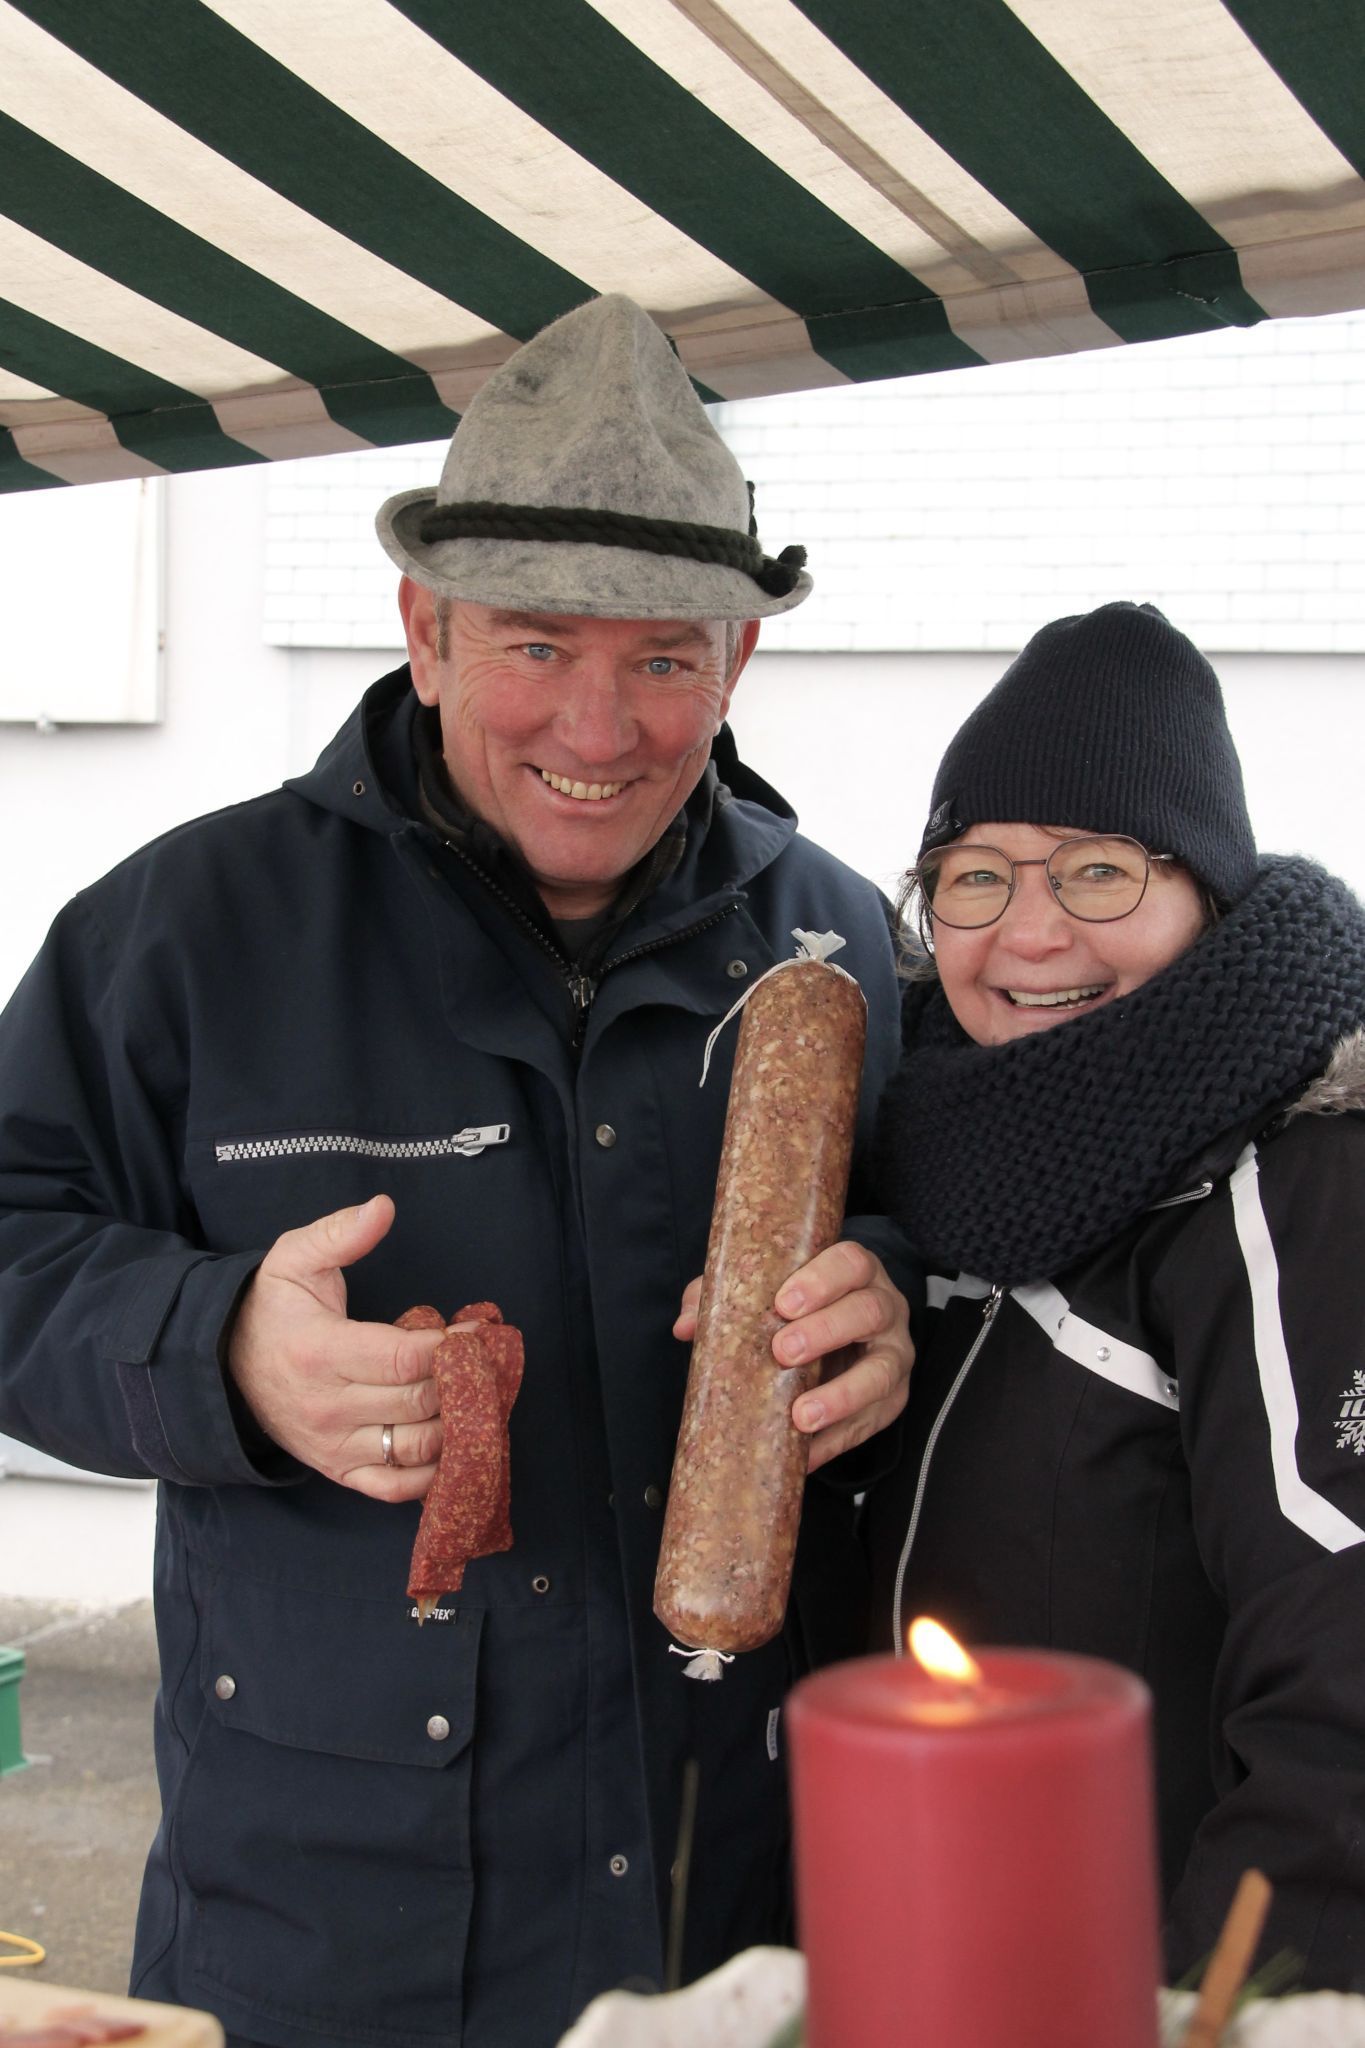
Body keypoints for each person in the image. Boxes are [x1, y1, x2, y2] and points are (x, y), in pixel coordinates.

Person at [0, 295, 915, 2048]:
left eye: (664, 658)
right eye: (535, 645)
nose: (602, 724)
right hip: (326, 1919)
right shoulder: (184, 933)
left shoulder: (836, 941)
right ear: (422, 632)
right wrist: (218, 1351)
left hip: (712, 1892)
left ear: (739, 666)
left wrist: (886, 1290)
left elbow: (945, 1259)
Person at [868, 599, 1365, 1990]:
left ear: (1203, 894)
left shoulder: (1292, 1186)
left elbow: (1343, 1695)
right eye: (972, 876)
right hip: (929, 1959)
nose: (1027, 936)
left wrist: (1215, 2014)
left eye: (1095, 873)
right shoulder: (933, 1166)